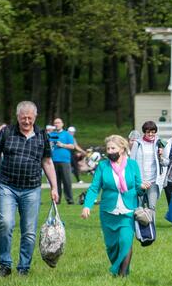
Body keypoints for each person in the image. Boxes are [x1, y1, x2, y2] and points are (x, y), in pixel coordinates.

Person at [0, 101, 59, 277]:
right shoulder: (6, 132)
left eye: (30, 118)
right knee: (5, 223)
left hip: (32, 189)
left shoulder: (41, 135)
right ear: (17, 117)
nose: (26, 121)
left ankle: (24, 267)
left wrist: (54, 187)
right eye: (23, 118)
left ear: (35, 117)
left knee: (29, 230)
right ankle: (5, 265)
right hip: (7, 186)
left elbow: (47, 162)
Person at [80, 135, 149, 276]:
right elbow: (94, 188)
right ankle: (118, 269)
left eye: (113, 148)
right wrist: (87, 206)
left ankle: (122, 275)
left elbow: (137, 188)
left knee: (125, 241)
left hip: (128, 210)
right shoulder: (103, 166)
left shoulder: (132, 165)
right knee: (112, 246)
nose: (110, 151)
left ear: (122, 149)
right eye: (108, 148)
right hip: (108, 212)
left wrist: (142, 187)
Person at [130, 121, 165, 212]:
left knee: (152, 207)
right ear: (144, 132)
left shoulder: (159, 143)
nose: (150, 134)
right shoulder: (137, 143)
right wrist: (135, 179)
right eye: (148, 132)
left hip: (153, 180)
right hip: (140, 181)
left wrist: (161, 156)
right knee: (139, 207)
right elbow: (131, 162)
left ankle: (152, 226)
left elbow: (166, 162)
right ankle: (138, 226)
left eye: (153, 132)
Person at [49, 118, 76, 204]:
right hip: (53, 160)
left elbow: (73, 146)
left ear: (62, 124)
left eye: (58, 123)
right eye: (55, 123)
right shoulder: (50, 134)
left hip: (64, 160)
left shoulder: (67, 134)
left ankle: (70, 199)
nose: (57, 124)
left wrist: (62, 145)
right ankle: (57, 200)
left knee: (67, 180)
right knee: (55, 181)